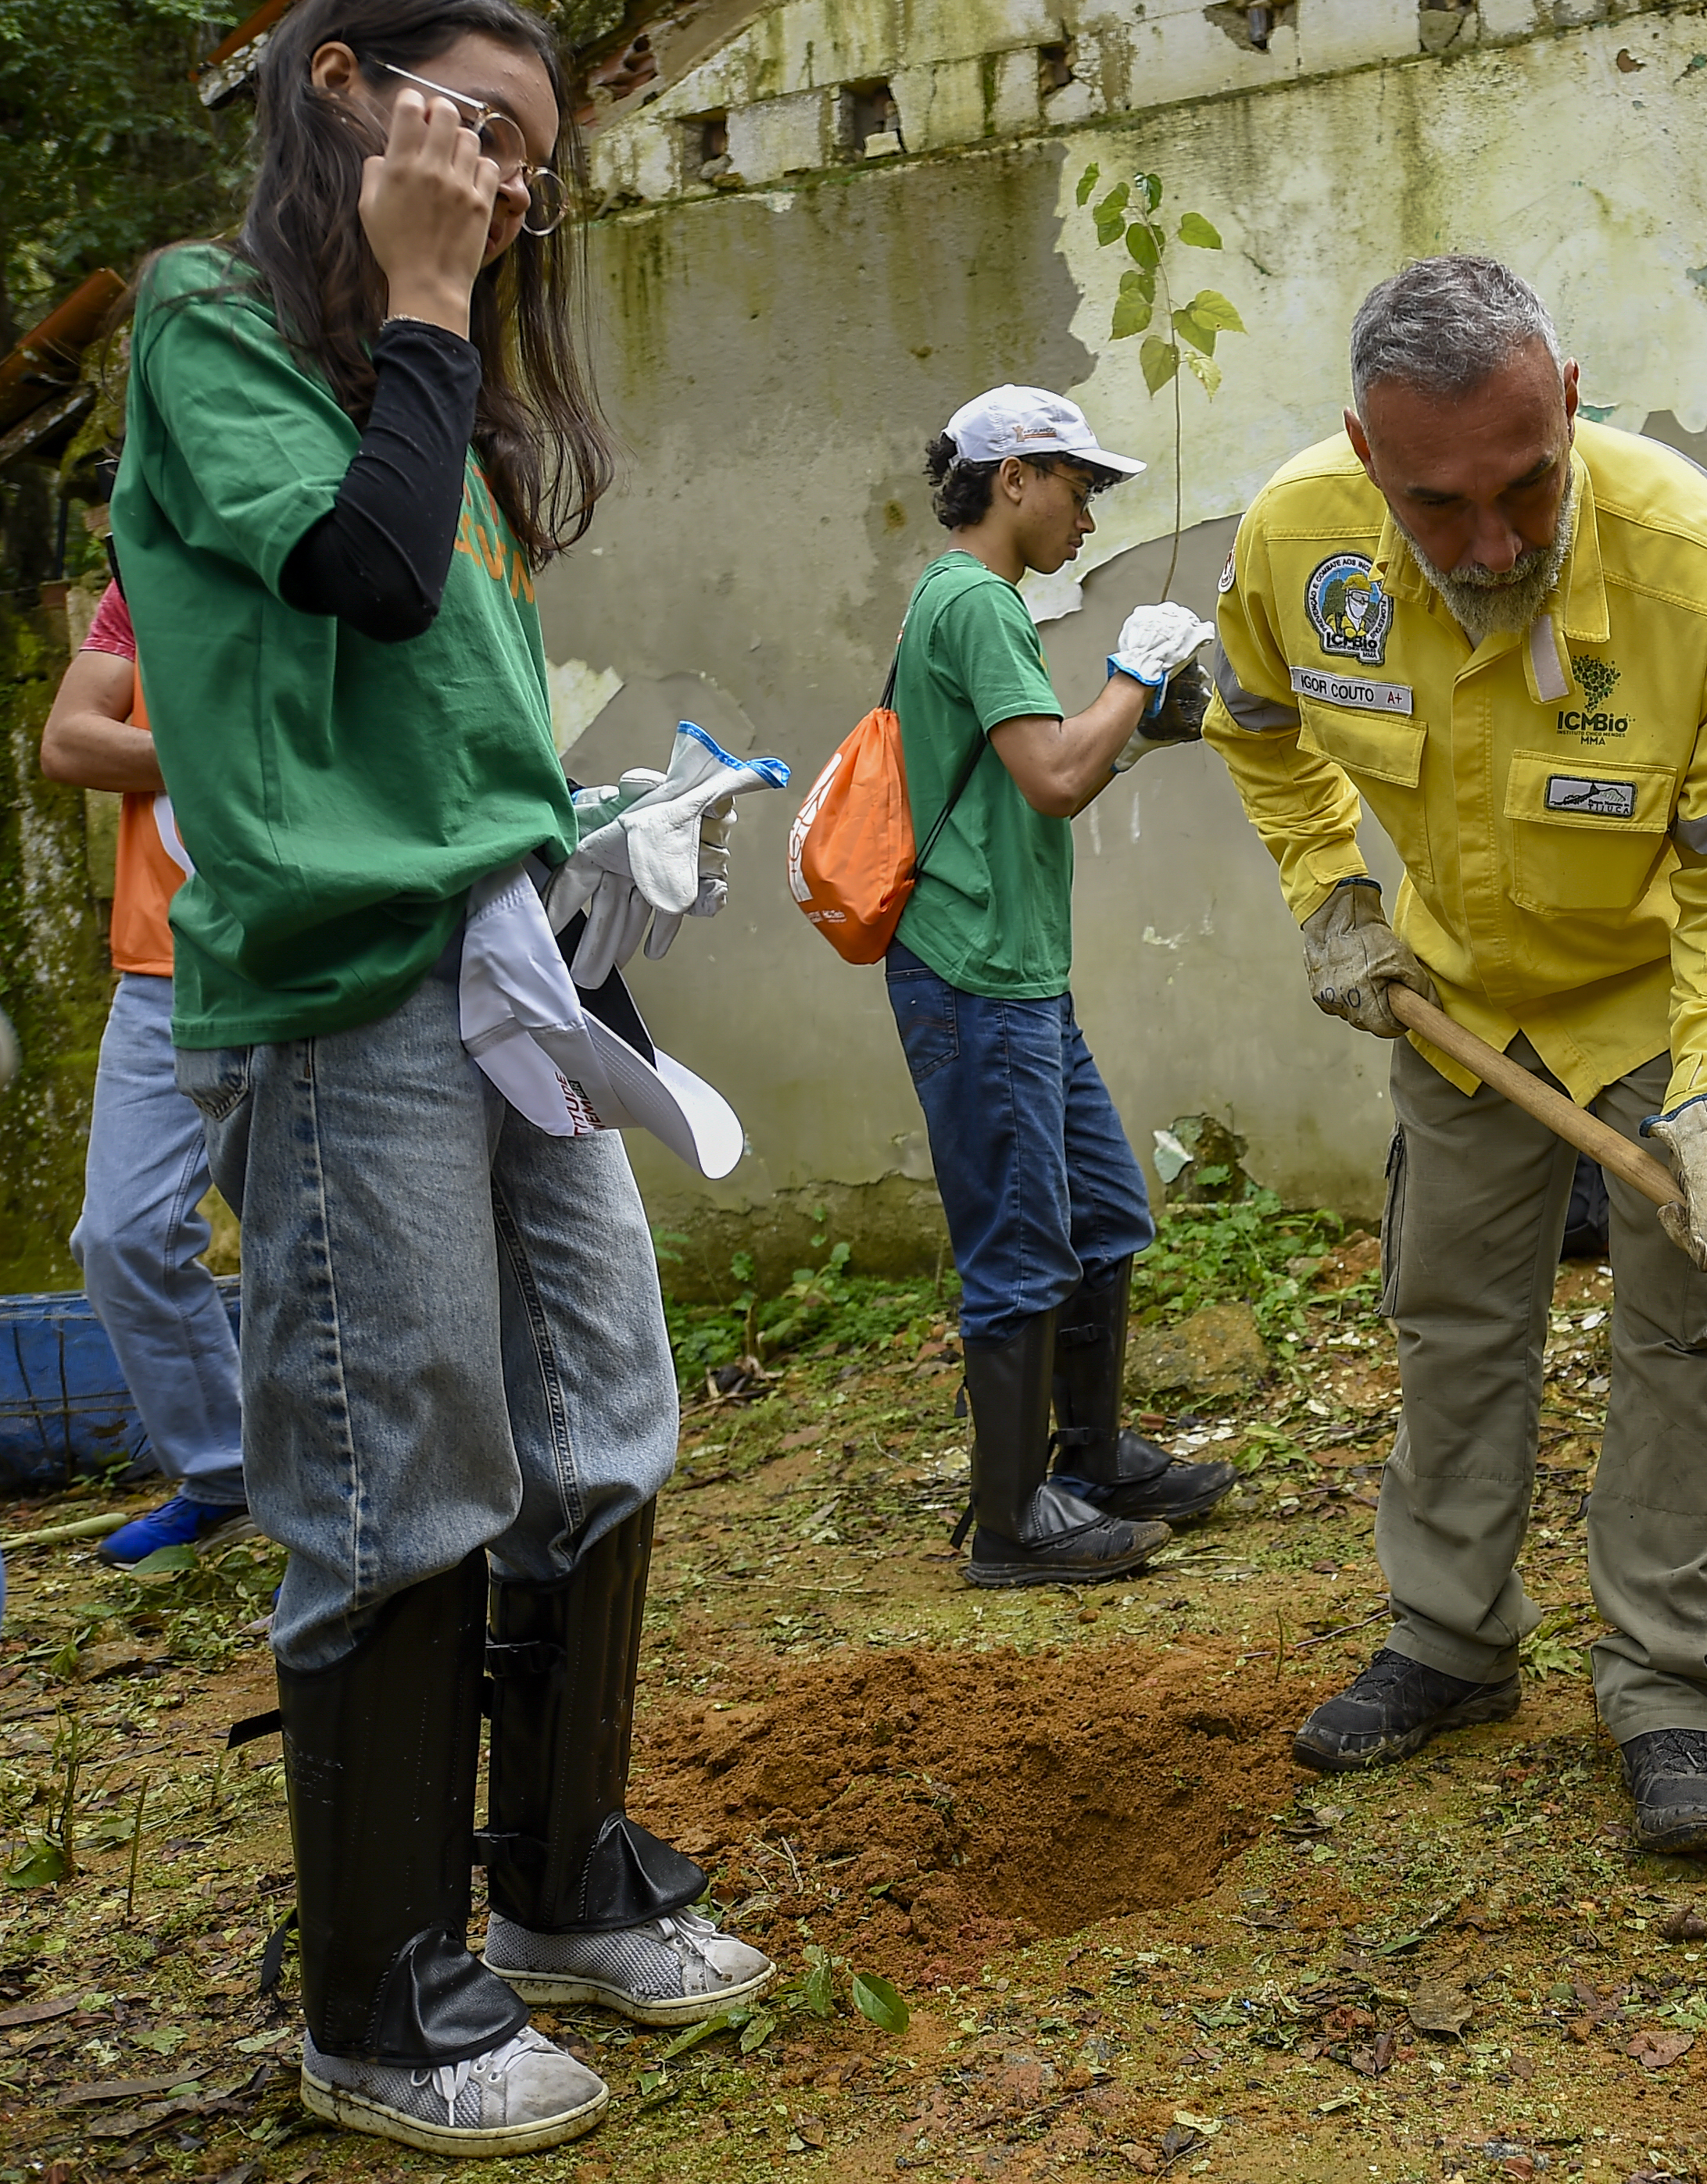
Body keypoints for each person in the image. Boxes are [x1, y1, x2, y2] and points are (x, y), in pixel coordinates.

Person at [116, 0, 770, 2153]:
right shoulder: (216, 323)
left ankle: (558, 1881)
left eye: (528, 164)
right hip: (344, 981)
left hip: (504, 958)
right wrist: (419, 292)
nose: (504, 189)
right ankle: (380, 2000)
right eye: (475, 133)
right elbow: (367, 584)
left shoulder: (438, 391)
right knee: (406, 1461)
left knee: (603, 1414)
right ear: (339, 87)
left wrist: (594, 843)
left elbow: (452, 710)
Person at [1208, 254, 1707, 1855]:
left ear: (1571, 403)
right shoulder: (1297, 541)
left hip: (1664, 997)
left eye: (1526, 485)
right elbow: (1253, 722)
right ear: (1365, 456)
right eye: (1437, 504)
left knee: (1694, 1335)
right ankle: (1449, 1635)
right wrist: (1334, 894)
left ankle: (1674, 1686)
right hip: (1464, 1005)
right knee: (1451, 1315)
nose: (1492, 541)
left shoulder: (1704, 569)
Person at [884, 384, 1234, 1589]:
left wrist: (1137, 725)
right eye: (1079, 486)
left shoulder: (978, 605)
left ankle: (1086, 1463)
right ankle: (1009, 1521)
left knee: (1100, 1212)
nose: (1088, 513)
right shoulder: (975, 599)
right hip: (974, 967)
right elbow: (1051, 777)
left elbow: (1026, 770)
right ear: (1014, 476)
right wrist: (1134, 673)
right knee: (1022, 1241)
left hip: (1017, 968)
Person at [39, 574, 253, 1566]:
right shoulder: (145, 592)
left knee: (319, 1244)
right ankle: (227, 1475)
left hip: (316, 960)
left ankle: (351, 1492)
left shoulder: (337, 555)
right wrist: (208, 760)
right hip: (160, 972)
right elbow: (71, 740)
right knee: (121, 1236)